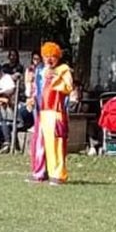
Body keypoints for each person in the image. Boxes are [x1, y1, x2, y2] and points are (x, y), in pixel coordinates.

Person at [27, 41, 74, 185]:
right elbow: (37, 89)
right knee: (39, 143)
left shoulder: (63, 70)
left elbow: (68, 87)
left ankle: (58, 175)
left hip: (56, 112)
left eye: (52, 56)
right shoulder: (40, 70)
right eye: (46, 56)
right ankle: (39, 172)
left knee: (56, 144)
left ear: (57, 57)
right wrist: (32, 98)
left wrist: (55, 78)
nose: (49, 59)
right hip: (42, 112)